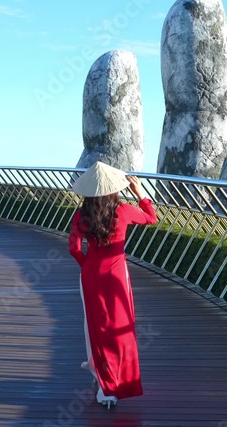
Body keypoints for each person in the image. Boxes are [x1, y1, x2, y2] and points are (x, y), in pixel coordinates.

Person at [68, 161, 157, 409]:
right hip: (117, 274)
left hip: (91, 275)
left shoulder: (81, 216)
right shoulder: (124, 210)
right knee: (121, 327)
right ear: (114, 188)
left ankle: (104, 385)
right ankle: (120, 382)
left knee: (98, 327)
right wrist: (139, 193)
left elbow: (74, 248)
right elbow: (152, 218)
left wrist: (87, 265)